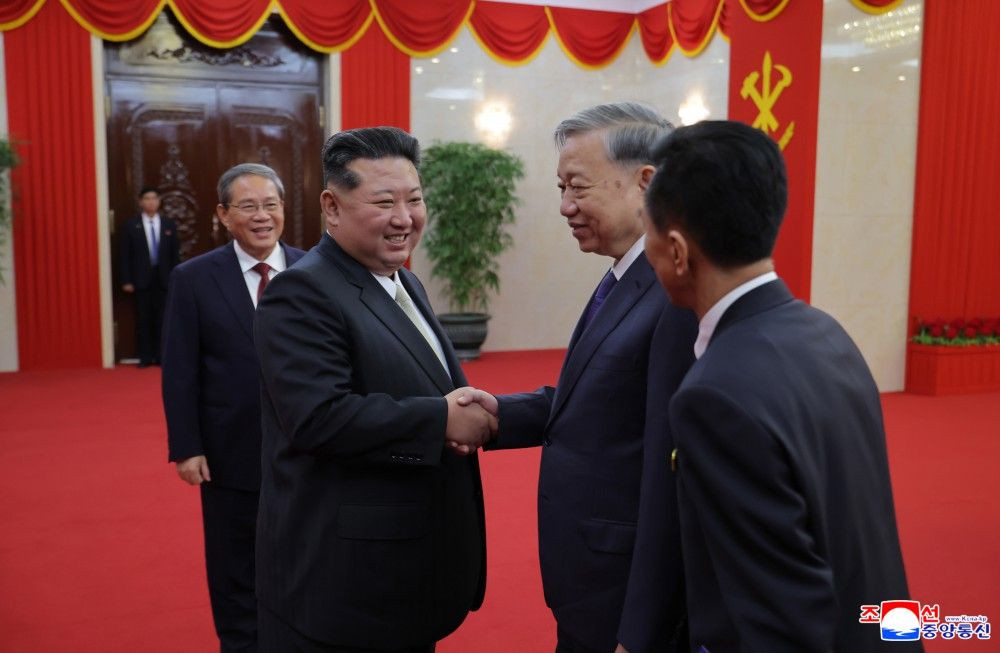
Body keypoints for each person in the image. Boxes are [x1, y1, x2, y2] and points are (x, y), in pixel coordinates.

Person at [643, 120, 920, 652]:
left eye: (647, 231)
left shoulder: (713, 396)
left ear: (677, 251)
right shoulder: (825, 332)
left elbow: (778, 619)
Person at [461, 102, 697, 653]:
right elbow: (599, 402)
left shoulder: (675, 294)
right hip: (590, 577)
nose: (565, 206)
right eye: (561, 188)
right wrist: (499, 416)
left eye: (578, 187)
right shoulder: (626, 275)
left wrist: (643, 629)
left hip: (625, 592)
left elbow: (671, 479)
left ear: (646, 183)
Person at [253, 126, 494, 652]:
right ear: (332, 206)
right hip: (345, 588)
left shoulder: (404, 281)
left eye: (415, 200)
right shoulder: (303, 290)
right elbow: (317, 418)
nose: (404, 218)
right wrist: (440, 420)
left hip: (405, 573)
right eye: (384, 203)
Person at [161, 163, 305, 652]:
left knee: (306, 561)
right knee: (235, 568)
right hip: (230, 453)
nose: (262, 216)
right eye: (248, 206)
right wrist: (187, 446)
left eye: (270, 205)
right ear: (224, 215)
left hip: (309, 449)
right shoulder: (194, 278)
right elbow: (180, 370)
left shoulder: (315, 270)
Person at [120, 186, 180, 366]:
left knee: (163, 319)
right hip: (141, 279)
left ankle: (162, 356)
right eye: (147, 198)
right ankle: (145, 357)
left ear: (159, 201)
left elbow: (175, 255)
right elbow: (124, 255)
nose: (151, 202)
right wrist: (126, 280)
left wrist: (177, 278)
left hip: (164, 279)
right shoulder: (131, 225)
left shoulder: (169, 224)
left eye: (154, 198)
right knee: (143, 319)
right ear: (141, 202)